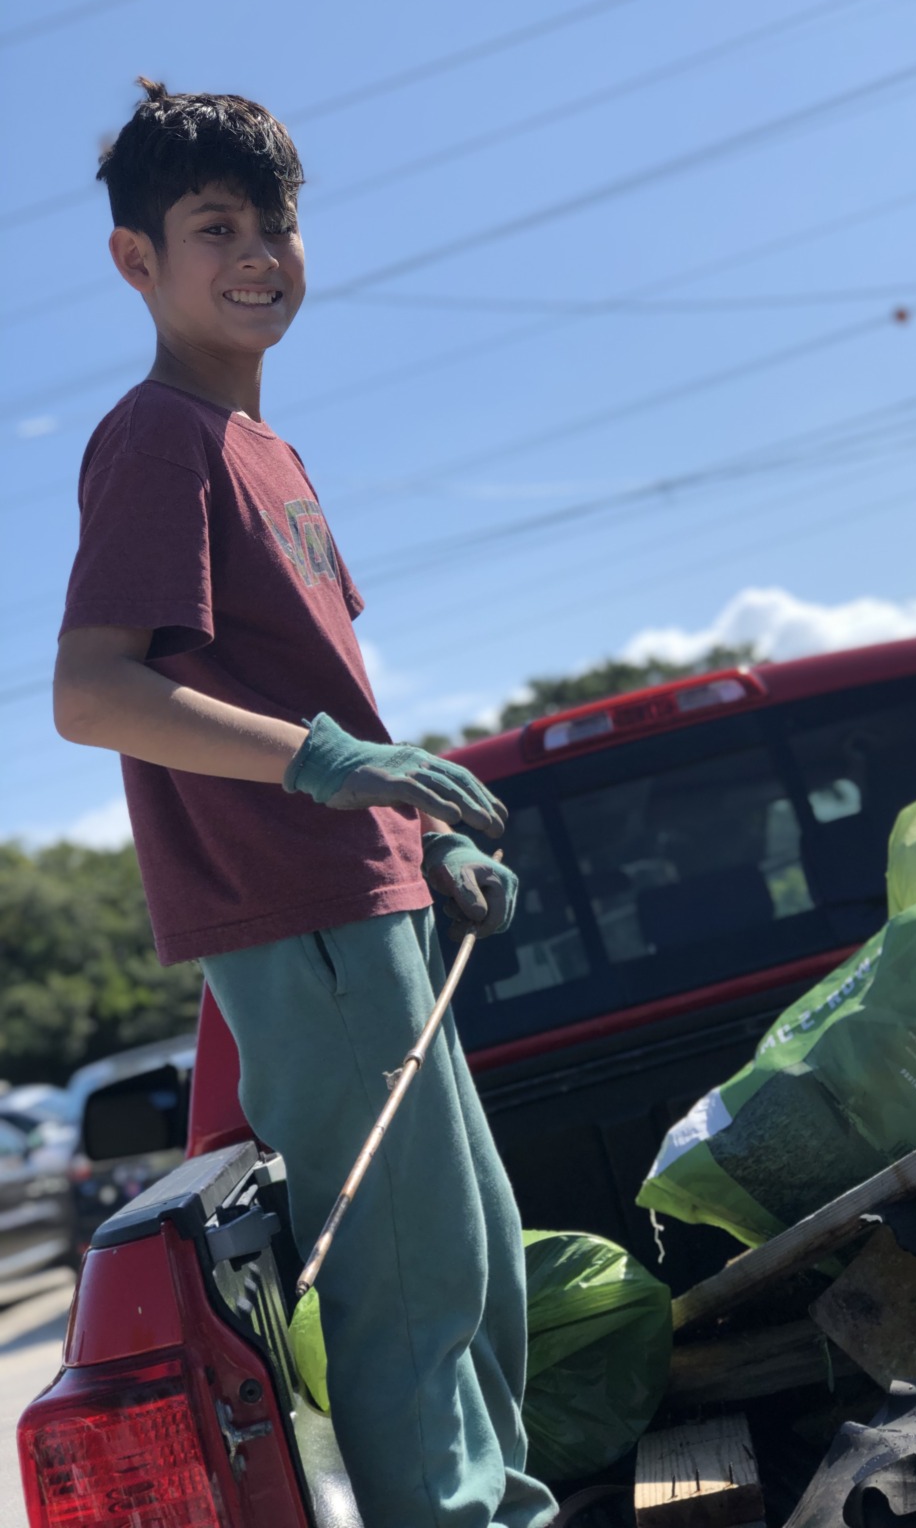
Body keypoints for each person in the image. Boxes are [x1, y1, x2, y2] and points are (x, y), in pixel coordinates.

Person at [54, 78, 558, 1528]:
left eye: (277, 221)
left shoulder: (268, 451)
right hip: (300, 925)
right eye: (216, 227)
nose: (261, 251)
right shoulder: (156, 437)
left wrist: (421, 835)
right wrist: (331, 768)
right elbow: (91, 694)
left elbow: (301, 689)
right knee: (411, 1300)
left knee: (481, 1270)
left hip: (369, 902)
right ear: (136, 262)